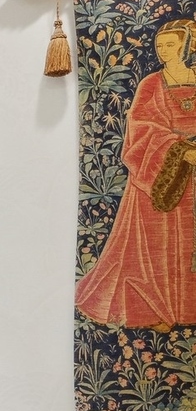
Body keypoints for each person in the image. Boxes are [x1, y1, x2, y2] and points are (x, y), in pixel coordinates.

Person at [75, 17, 196, 329]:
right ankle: (159, 310)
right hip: (160, 173)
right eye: (159, 45)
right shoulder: (151, 84)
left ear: (186, 46)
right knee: (158, 244)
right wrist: (180, 150)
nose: (163, 50)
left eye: (170, 44)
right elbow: (140, 130)